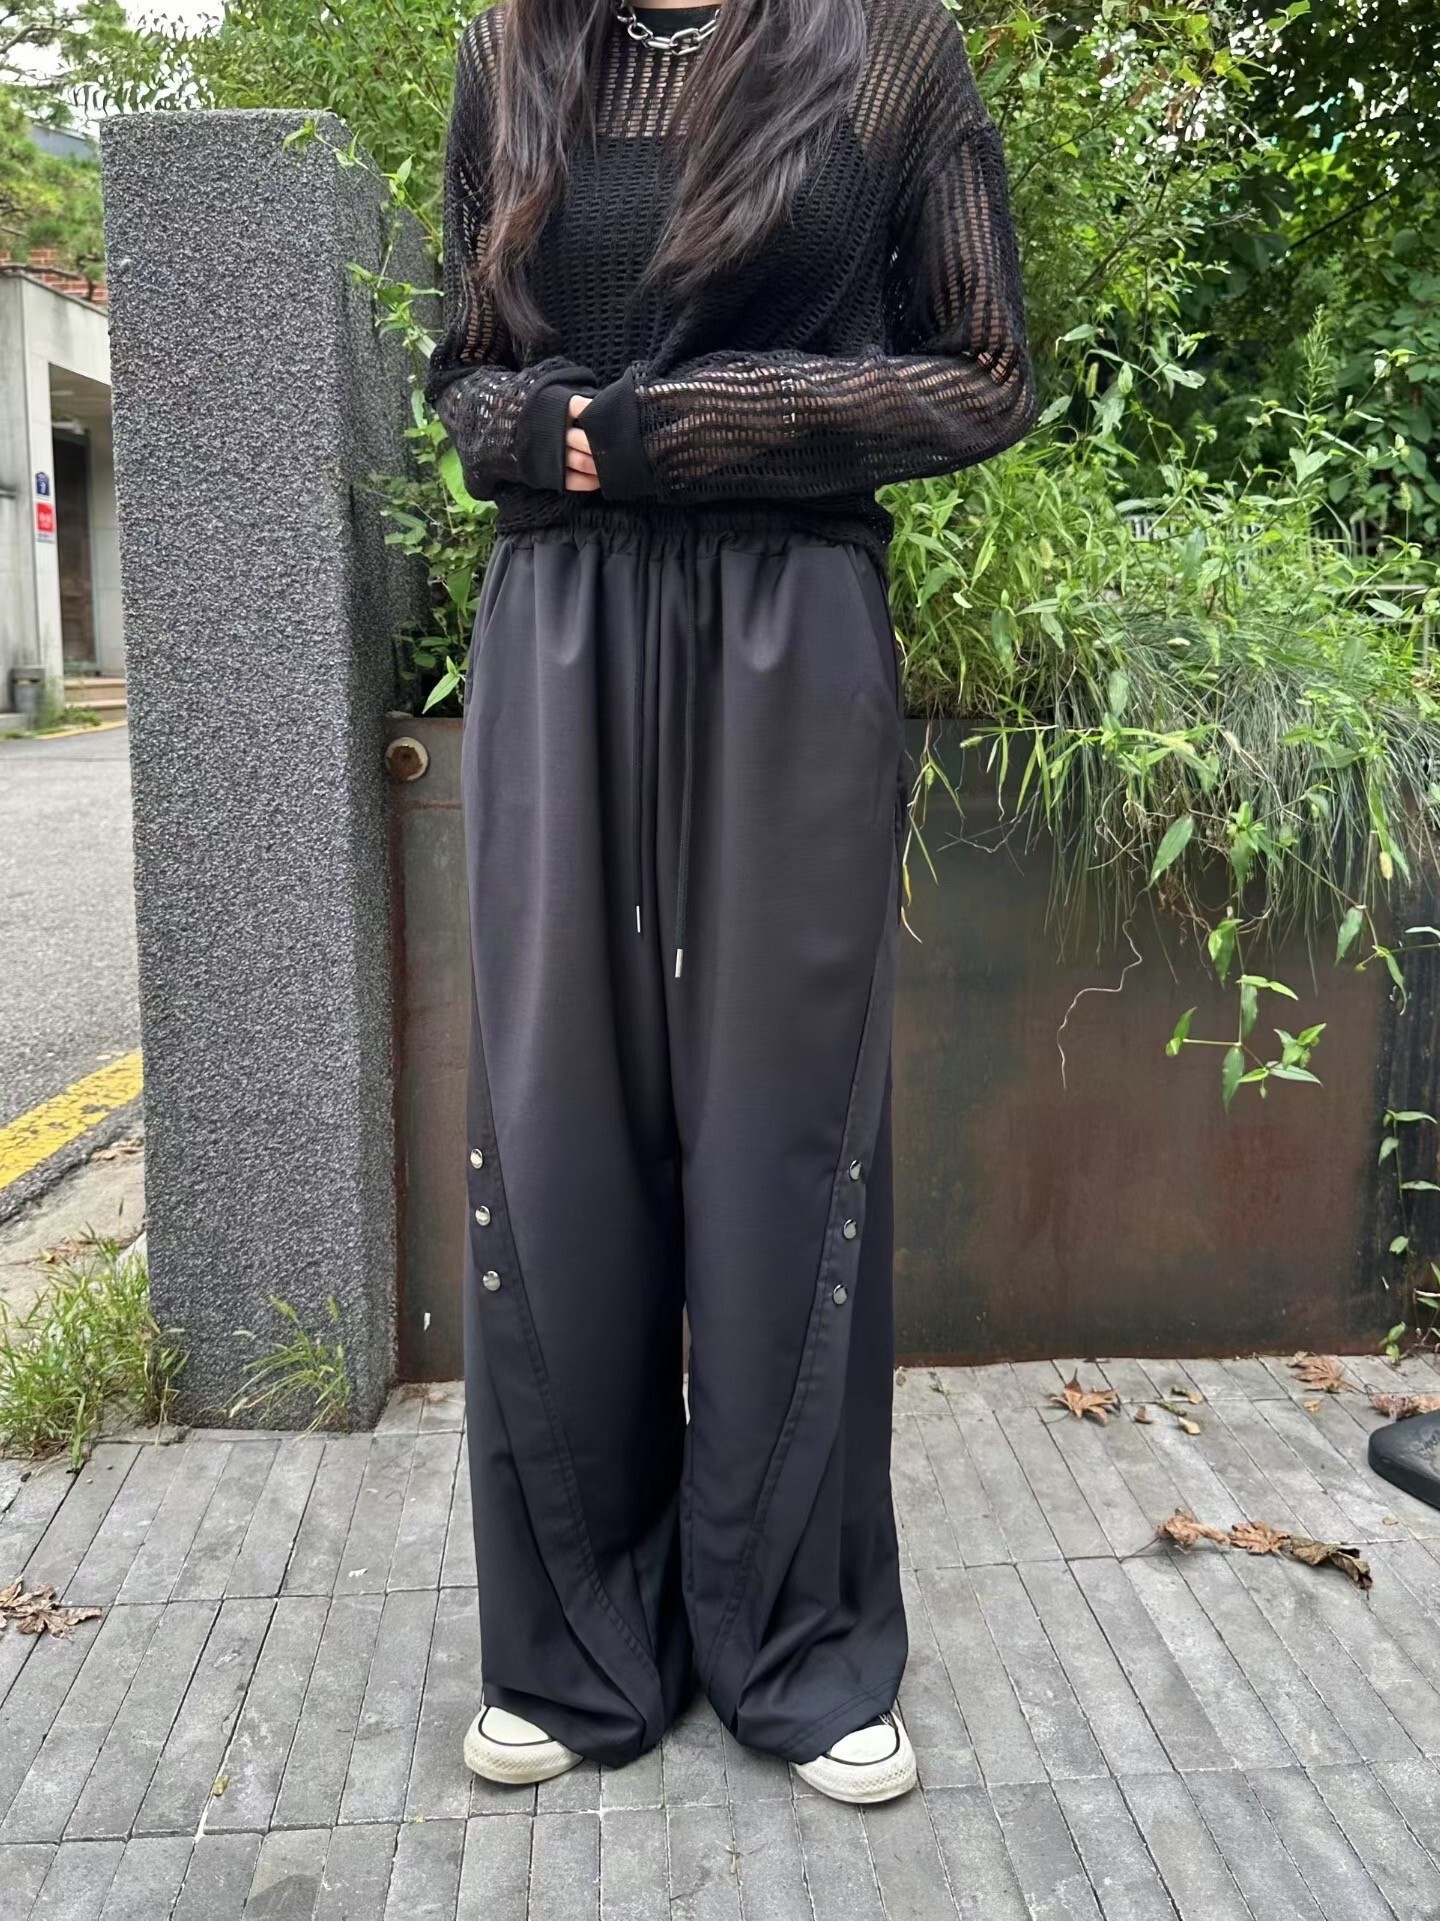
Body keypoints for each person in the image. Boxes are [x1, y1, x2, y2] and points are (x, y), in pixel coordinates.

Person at [424, 0, 1036, 1805]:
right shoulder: (511, 50)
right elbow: (462, 376)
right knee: (556, 1114)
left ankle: (796, 1634)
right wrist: (548, 431)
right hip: (561, 622)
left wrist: (685, 426)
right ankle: (577, 1639)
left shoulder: (890, 48)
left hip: (792, 618)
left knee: (785, 1121)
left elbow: (985, 371)